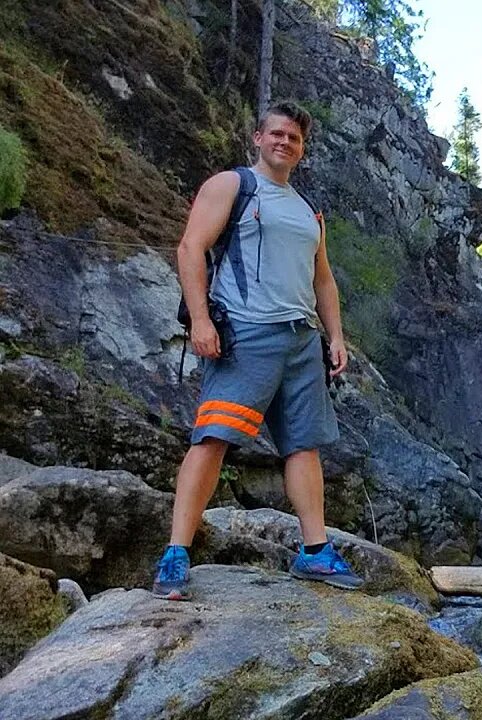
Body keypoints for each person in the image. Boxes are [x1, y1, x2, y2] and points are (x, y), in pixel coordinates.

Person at [152, 101, 363, 600]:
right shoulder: (232, 185)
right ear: (257, 138)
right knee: (213, 437)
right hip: (245, 334)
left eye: (293, 137)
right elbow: (190, 249)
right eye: (276, 134)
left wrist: (334, 336)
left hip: (300, 338)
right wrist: (201, 320)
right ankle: (176, 554)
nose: (284, 142)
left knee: (302, 445)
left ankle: (314, 552)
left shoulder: (309, 211)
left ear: (302, 149)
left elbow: (323, 278)